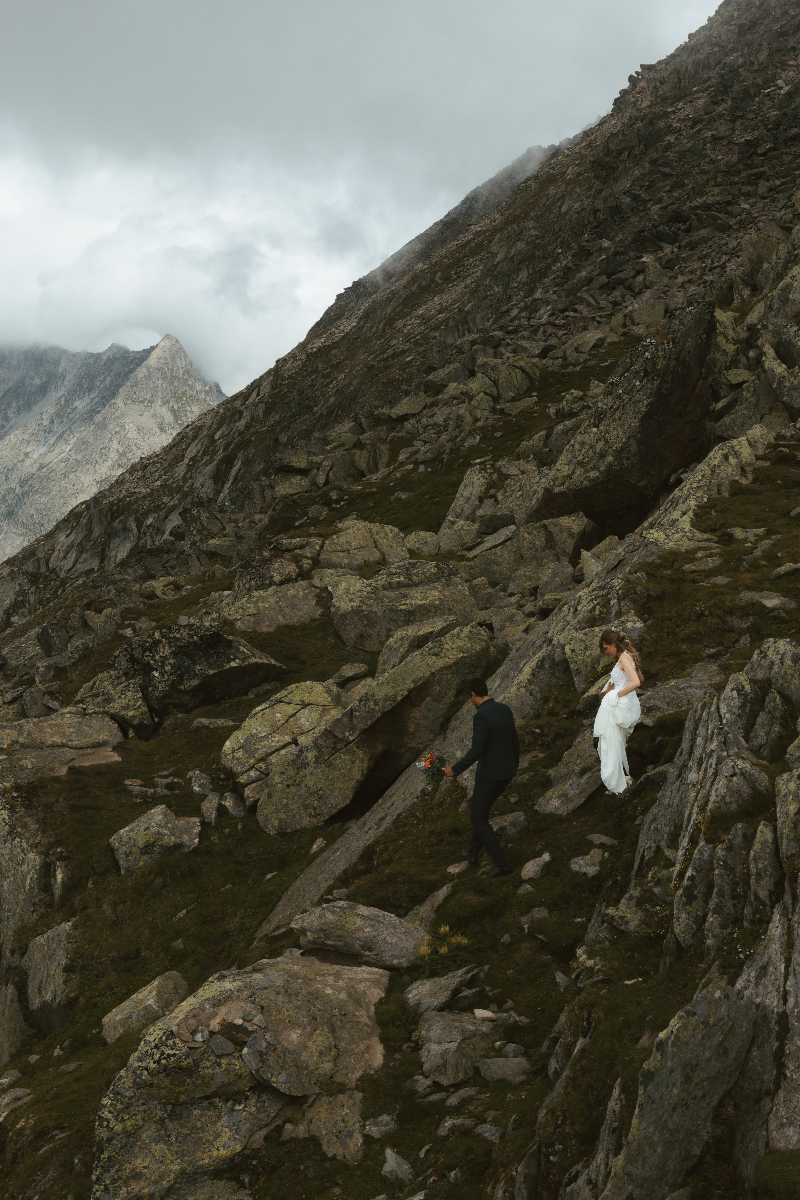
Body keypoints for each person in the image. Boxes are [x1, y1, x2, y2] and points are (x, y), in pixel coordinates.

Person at [443, 677, 520, 877]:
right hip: (506, 772)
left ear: (473, 695)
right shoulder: (504, 708)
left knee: (478, 817)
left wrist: (454, 769)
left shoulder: (481, 715)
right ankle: (472, 853)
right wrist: (515, 767)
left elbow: (477, 749)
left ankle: (501, 865)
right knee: (481, 811)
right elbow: (514, 740)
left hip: (490, 775)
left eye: (470, 698)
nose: (470, 702)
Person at [593, 627, 643, 794]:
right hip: (621, 703)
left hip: (619, 704)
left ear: (614, 644)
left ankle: (620, 783)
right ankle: (623, 779)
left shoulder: (624, 658)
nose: (606, 652)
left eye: (606, 648)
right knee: (614, 742)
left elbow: (636, 682)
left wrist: (616, 695)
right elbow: (640, 677)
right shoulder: (626, 657)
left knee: (610, 742)